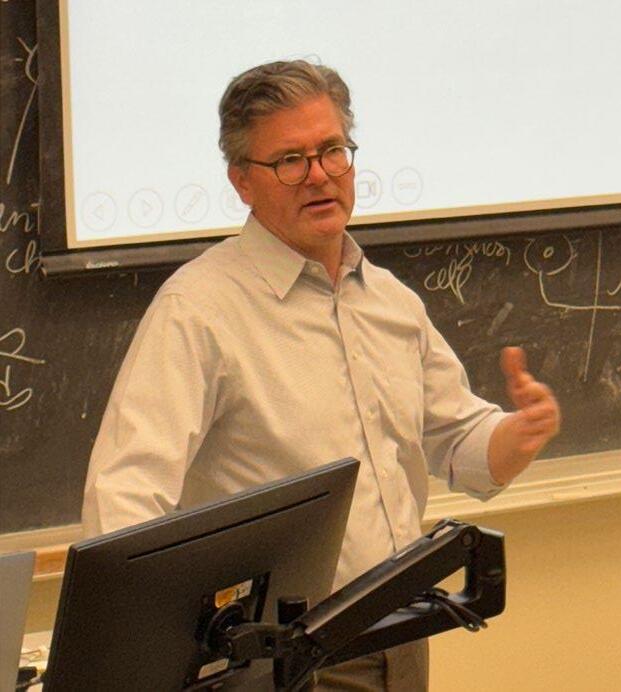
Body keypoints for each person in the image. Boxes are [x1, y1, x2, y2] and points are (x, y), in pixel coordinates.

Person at [82, 60, 560, 690]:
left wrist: (520, 433)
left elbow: (460, 446)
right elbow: (124, 496)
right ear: (242, 181)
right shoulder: (198, 311)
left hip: (403, 634)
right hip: (279, 663)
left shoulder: (390, 302)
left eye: (332, 150)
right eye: (290, 160)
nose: (319, 175)